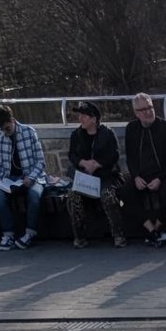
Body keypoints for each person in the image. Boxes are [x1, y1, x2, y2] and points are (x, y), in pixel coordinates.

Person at [125, 93, 166, 246]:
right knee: (125, 191)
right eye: (142, 110)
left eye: (149, 107)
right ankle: (150, 229)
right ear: (136, 113)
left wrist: (160, 178)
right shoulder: (131, 129)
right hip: (143, 176)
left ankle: (157, 227)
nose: (147, 112)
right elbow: (130, 158)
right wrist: (136, 176)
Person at [67, 101, 125, 249]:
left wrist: (98, 163)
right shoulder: (76, 135)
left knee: (107, 194)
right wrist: (83, 163)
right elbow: (72, 155)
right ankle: (80, 237)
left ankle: (118, 235)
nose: (80, 118)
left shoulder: (107, 133)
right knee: (73, 195)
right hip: (85, 178)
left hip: (107, 176)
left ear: (94, 119)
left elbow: (115, 155)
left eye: (84, 116)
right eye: (79, 115)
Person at [0, 104, 46, 250]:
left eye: (7, 128)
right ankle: (8, 234)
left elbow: (41, 162)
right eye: (2, 129)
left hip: (31, 176)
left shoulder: (29, 132)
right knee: (0, 198)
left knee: (34, 196)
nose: (5, 132)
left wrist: (32, 178)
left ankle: (29, 234)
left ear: (13, 120)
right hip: (10, 179)